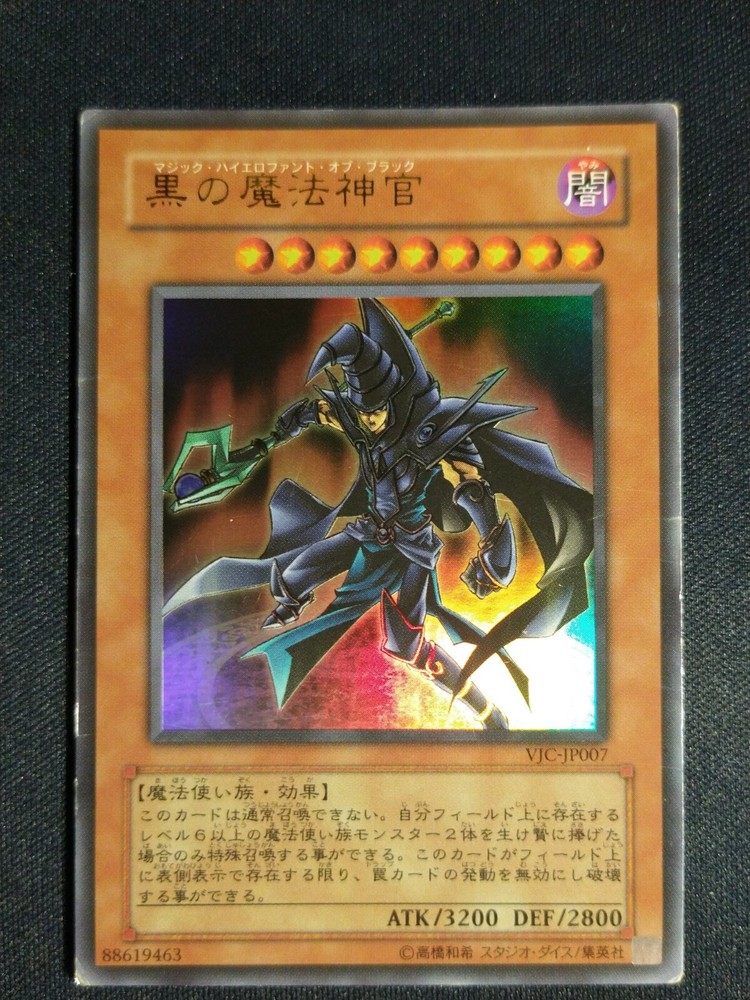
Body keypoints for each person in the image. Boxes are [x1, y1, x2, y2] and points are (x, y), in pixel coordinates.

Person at [164, 299, 593, 730]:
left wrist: (491, 538)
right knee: (292, 578)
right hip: (368, 532)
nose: (369, 421)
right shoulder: (356, 416)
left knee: (405, 645)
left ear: (395, 400)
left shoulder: (430, 432)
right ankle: (291, 621)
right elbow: (313, 412)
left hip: (411, 547)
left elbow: (468, 480)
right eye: (362, 411)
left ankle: (487, 712)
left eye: (377, 411)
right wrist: (267, 441)